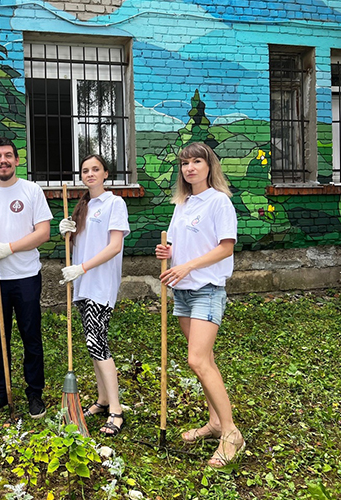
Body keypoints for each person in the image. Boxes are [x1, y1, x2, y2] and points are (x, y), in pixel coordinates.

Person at [154, 142, 245, 467]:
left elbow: (225, 248)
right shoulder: (183, 203)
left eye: (196, 161)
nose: (190, 168)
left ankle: (231, 433)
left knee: (197, 360)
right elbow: (180, 245)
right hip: (183, 291)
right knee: (205, 359)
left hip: (207, 289)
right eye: (185, 163)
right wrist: (168, 253)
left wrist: (188, 266)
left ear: (209, 166)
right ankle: (215, 422)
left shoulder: (219, 201)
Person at [0, 137, 53, 419]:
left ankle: (34, 394)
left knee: (31, 335)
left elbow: (43, 233)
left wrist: (10, 248)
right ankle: (1, 394)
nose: (2, 160)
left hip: (26, 276)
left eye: (7, 155)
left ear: (17, 160)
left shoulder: (31, 190)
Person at [58, 154, 130, 437]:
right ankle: (102, 400)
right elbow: (82, 245)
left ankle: (116, 410)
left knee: (97, 343)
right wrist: (67, 233)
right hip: (83, 285)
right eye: (85, 170)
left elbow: (114, 246)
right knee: (93, 345)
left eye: (95, 169)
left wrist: (82, 267)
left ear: (105, 174)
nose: (90, 174)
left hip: (100, 284)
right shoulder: (83, 207)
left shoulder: (114, 203)